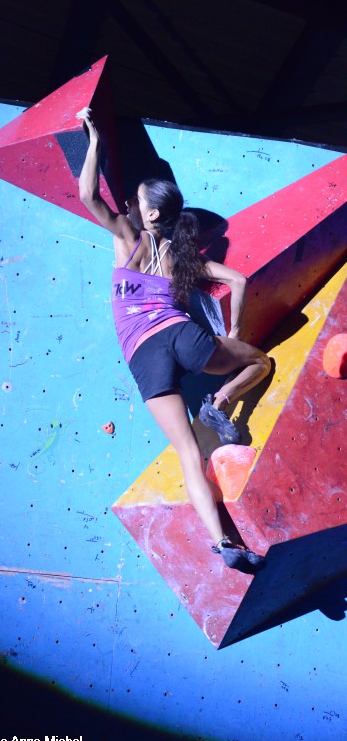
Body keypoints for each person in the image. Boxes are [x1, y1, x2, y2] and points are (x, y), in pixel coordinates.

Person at [76, 107, 271, 571]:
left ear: (151, 213)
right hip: (182, 336)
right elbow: (239, 280)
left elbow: (87, 195)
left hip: (142, 356)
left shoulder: (129, 239)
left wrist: (94, 141)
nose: (128, 202)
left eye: (135, 200)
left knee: (188, 452)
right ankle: (220, 401)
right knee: (260, 362)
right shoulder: (182, 259)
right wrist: (234, 333)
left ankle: (224, 543)